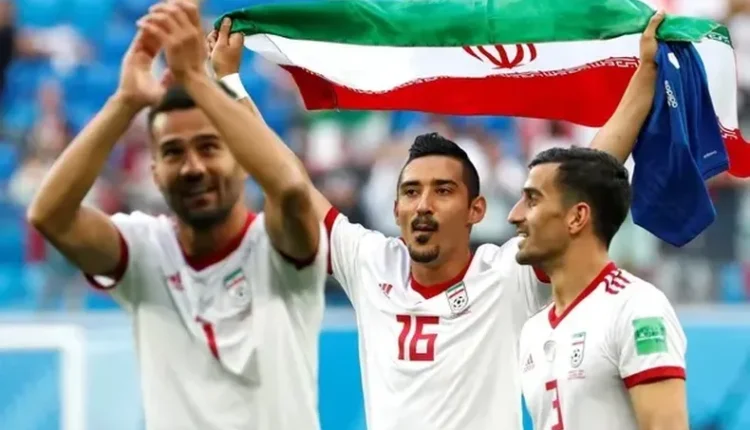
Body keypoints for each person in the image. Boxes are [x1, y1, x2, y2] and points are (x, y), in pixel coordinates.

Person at [211, 9, 665, 430]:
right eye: (411, 192)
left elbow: (584, 181)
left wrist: (644, 76)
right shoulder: (369, 263)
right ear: (395, 209)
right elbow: (285, 179)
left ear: (476, 210)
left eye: (443, 191)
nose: (423, 205)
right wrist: (229, 83)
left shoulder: (508, 277)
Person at [27, 2, 327, 429]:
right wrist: (125, 101)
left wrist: (197, 80)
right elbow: (49, 216)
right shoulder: (144, 250)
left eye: (209, 147)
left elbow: (293, 189)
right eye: (172, 152)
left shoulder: (280, 249)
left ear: (243, 159)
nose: (192, 167)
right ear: (154, 172)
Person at [511, 147, 688, 430]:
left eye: (532, 200)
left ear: (577, 217)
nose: (514, 215)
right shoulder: (534, 329)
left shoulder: (638, 308)